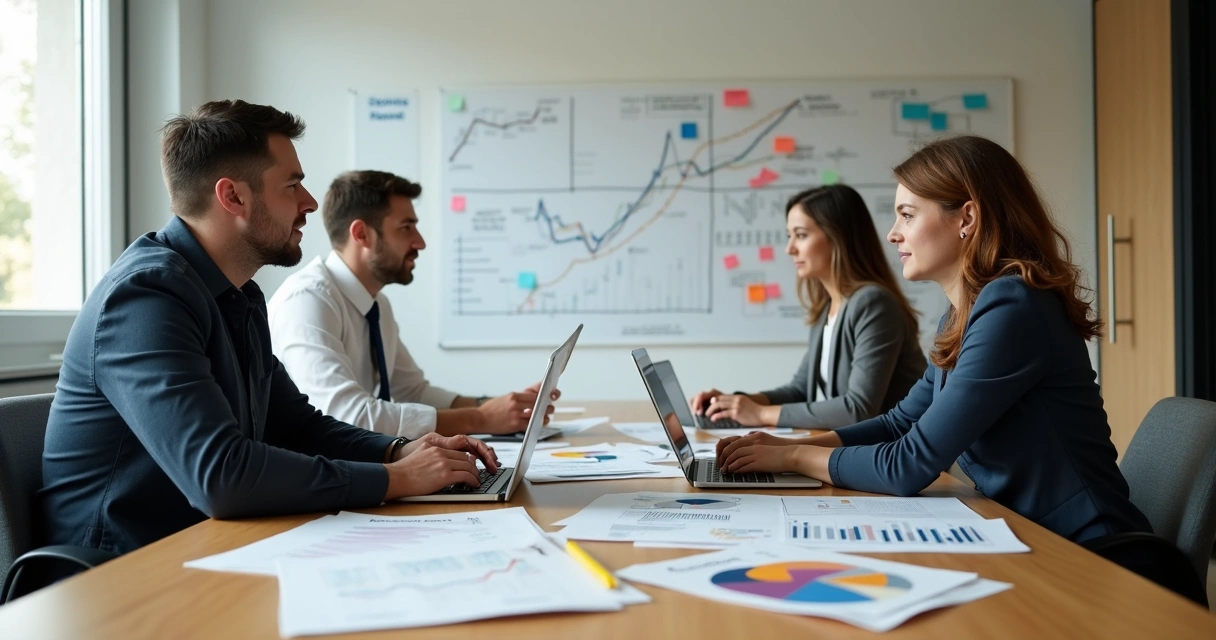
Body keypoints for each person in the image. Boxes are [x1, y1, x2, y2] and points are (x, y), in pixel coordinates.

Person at [38, 100, 499, 556]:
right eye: (293, 185)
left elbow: (296, 425)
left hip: (210, 546)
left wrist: (397, 452)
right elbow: (221, 476)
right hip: (122, 576)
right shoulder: (145, 298)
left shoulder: (238, 295)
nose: (310, 203)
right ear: (233, 196)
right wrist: (397, 479)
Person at [716, 135, 1153, 543]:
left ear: (967, 217)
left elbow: (910, 463)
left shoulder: (1014, 305)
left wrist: (792, 461)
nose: (893, 233)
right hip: (1026, 531)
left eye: (907, 215)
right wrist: (793, 446)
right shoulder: (967, 310)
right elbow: (899, 422)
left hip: (1090, 548)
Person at [267, 170, 556, 440]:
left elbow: (413, 391)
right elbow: (347, 416)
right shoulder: (308, 301)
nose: (420, 243)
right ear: (362, 234)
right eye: (406, 228)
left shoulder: (376, 305)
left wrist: (504, 408)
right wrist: (480, 419)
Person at [690, 184, 925, 429]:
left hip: (893, 459)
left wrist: (760, 414)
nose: (789, 248)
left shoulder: (873, 304)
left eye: (801, 235)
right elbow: (801, 390)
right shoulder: (828, 308)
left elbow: (858, 410)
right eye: (789, 236)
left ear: (838, 238)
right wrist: (736, 403)